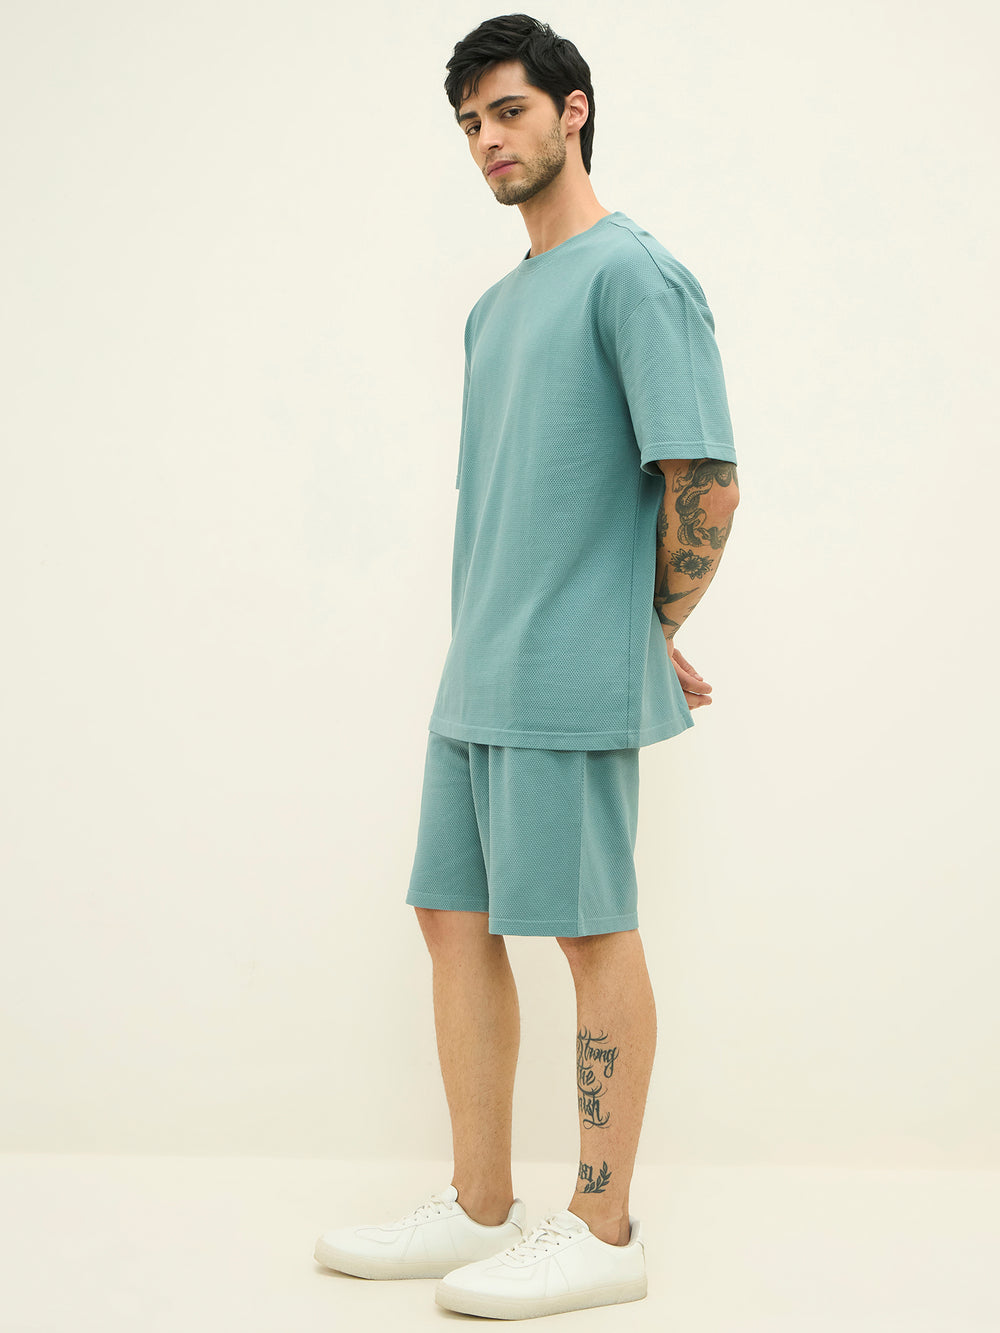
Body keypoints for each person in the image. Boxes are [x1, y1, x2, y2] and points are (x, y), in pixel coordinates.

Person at [314, 13, 739, 1321]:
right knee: (452, 918)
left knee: (589, 931)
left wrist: (646, 629)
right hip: (477, 668)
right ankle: (480, 1199)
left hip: (565, 671)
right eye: (470, 124)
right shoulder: (493, 311)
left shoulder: (636, 277)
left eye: (508, 111)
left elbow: (705, 481)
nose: (488, 140)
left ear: (574, 111)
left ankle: (604, 1227)